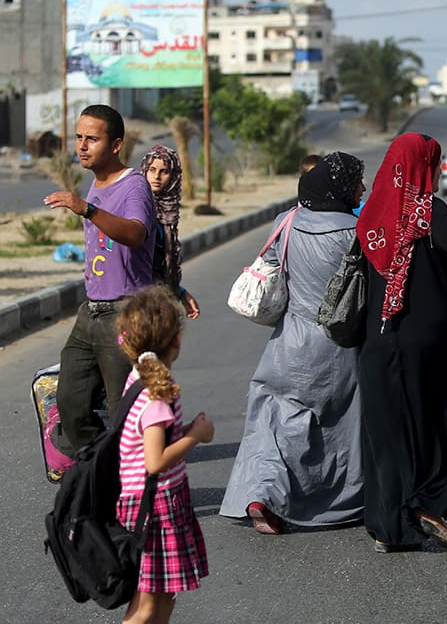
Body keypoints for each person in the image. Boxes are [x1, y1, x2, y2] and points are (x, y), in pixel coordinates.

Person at [356, 133, 447, 553]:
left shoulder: (370, 216)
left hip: (377, 341)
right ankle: (430, 501)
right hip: (430, 339)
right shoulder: (429, 210)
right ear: (424, 166)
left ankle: (390, 529)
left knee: (388, 434)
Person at [220, 152, 367, 534]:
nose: (362, 190)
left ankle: (259, 494)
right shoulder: (357, 232)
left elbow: (272, 264)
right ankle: (333, 501)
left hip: (288, 342)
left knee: (272, 421)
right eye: (357, 183)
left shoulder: (285, 222)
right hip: (340, 342)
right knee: (337, 427)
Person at [44, 104, 157, 452]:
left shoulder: (134, 186)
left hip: (124, 312)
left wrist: (87, 209)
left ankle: (131, 490)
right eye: (79, 137)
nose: (81, 146)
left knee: (121, 410)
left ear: (116, 144)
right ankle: (102, 472)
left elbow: (137, 234)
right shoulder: (95, 184)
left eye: (92, 139)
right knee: (70, 402)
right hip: (91, 311)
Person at [115, 285, 214, 623]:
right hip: (153, 508)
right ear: (176, 341)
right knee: (144, 608)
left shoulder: (140, 378)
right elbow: (154, 461)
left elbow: (151, 440)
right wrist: (196, 437)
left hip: (156, 502)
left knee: (164, 598)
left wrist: (184, 430)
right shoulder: (157, 395)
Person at [139, 144, 201, 318]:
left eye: (164, 171)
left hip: (158, 299)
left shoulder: (168, 212)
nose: (156, 177)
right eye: (152, 170)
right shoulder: (137, 209)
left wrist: (179, 292)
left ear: (173, 177)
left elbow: (160, 265)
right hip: (136, 301)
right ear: (144, 170)